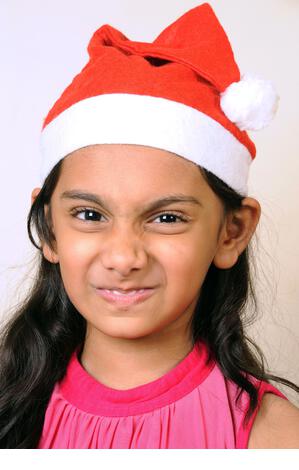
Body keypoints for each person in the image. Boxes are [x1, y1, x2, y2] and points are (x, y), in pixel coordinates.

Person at [0, 2, 298, 449]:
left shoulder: (272, 437)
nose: (123, 257)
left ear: (231, 232)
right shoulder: (12, 405)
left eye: (166, 218)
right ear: (48, 229)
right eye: (89, 215)